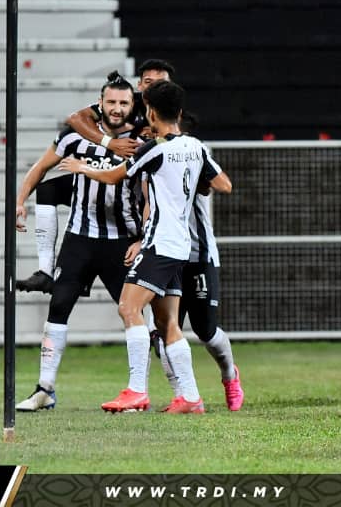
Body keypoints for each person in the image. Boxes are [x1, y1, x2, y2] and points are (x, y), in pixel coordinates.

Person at [61, 80, 232, 414]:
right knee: (168, 323)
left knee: (128, 308)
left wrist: (81, 167)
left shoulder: (154, 149)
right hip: (183, 245)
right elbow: (223, 184)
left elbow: (115, 176)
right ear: (179, 112)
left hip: (159, 243)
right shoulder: (196, 147)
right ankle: (191, 397)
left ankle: (136, 390)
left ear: (150, 112)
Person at [13, 75, 143, 411]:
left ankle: (149, 391)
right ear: (100, 103)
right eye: (111, 102)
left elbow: (150, 193)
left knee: (139, 316)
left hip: (122, 241)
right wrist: (19, 200)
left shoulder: (141, 139)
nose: (116, 109)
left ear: (132, 105)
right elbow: (40, 167)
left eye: (123, 103)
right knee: (58, 307)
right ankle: (44, 389)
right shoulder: (76, 134)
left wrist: (143, 237)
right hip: (80, 239)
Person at [16, 59, 175, 294]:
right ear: (140, 85)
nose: (117, 108)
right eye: (149, 82)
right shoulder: (127, 102)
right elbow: (75, 118)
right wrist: (111, 143)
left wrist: (155, 139)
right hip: (97, 179)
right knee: (49, 189)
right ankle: (46, 271)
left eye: (160, 83)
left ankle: (145, 247)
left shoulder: (170, 115)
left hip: (134, 186)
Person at [133, 114, 244, 411]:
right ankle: (183, 394)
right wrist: (142, 240)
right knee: (164, 326)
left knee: (206, 330)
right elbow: (149, 207)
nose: (149, 134)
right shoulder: (152, 163)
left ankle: (230, 375)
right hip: (168, 252)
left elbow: (223, 185)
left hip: (198, 255)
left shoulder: (191, 152)